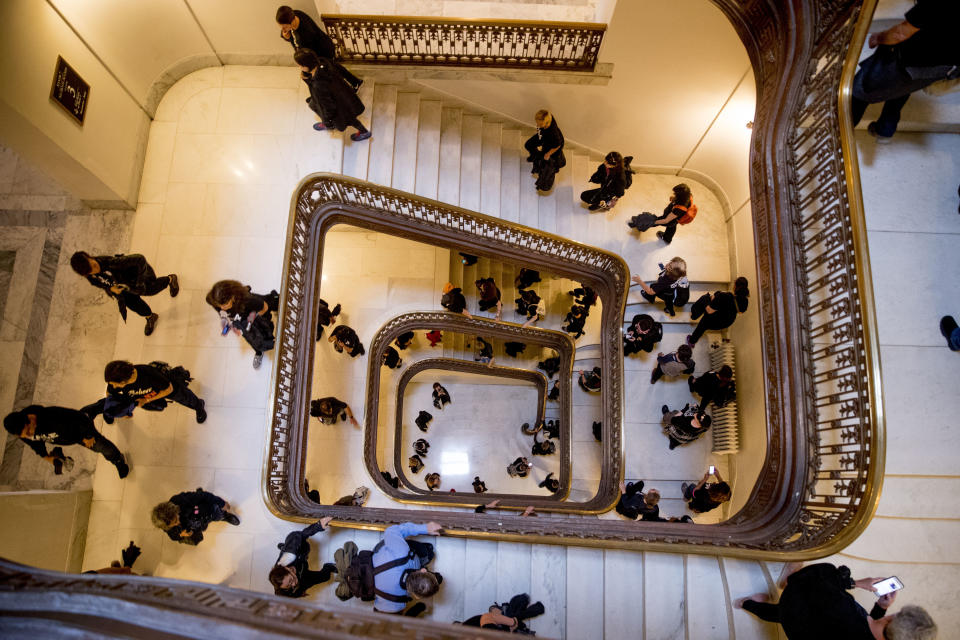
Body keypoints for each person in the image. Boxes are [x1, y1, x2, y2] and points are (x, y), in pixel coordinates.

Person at [735, 562, 937, 640]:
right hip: (804, 629)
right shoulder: (876, 630)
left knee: (820, 573)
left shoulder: (843, 611)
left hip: (797, 612)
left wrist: (855, 583)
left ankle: (760, 595)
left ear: (893, 619)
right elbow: (873, 627)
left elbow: (817, 579)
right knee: (780, 615)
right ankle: (746, 604)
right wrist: (880, 607)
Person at [851, 0, 960, 143]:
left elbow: (899, 34)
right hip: (939, 67)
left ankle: (841, 131)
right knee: (902, 87)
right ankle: (885, 129)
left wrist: (878, 38)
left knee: (860, 92)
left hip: (912, 57)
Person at [70, 251, 178, 336]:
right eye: (91, 271)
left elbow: (140, 259)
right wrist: (111, 289)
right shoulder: (90, 275)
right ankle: (150, 317)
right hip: (124, 289)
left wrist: (139, 284)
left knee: (152, 289)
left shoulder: (113, 262)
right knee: (136, 306)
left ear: (89, 257)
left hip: (137, 277)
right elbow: (100, 284)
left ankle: (170, 279)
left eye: (93, 265)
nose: (96, 270)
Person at [4, 405, 129, 478]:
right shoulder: (24, 432)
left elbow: (78, 418)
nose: (29, 436)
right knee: (88, 411)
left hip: (81, 432)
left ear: (30, 419)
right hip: (72, 436)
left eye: (29, 432)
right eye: (24, 436)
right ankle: (98, 406)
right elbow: (35, 443)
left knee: (102, 447)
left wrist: (89, 435)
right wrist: (48, 458)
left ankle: (117, 459)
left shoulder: (51, 415)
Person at [275, 5, 361, 89]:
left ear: (292, 22)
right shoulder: (296, 14)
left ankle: (353, 84)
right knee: (334, 67)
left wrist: (304, 72)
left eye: (284, 27)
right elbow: (295, 41)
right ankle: (355, 82)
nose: (283, 30)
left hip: (322, 52)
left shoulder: (305, 35)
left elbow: (303, 52)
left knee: (332, 69)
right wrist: (287, 36)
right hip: (321, 47)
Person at [295, 48, 371, 141]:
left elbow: (328, 106)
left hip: (338, 105)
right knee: (312, 105)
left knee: (350, 119)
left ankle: (363, 132)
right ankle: (363, 131)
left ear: (306, 66)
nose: (300, 68)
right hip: (344, 97)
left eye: (300, 65)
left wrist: (327, 121)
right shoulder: (325, 63)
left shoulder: (318, 84)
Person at [371, 521, 443, 615]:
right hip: (376, 574)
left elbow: (391, 531)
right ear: (416, 596)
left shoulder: (402, 552)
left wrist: (425, 528)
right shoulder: (395, 602)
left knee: (428, 552)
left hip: (385, 556)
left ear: (423, 570)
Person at [104, 360, 206, 423]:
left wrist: (146, 400)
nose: (113, 385)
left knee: (186, 398)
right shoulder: (117, 382)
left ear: (124, 380)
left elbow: (168, 389)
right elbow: (109, 394)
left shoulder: (148, 374)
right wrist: (122, 412)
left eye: (115, 383)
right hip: (149, 396)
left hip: (166, 388)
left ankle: (199, 406)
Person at [206, 280, 278, 369]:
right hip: (240, 321)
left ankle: (272, 344)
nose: (222, 308)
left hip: (251, 317)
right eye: (219, 305)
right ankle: (259, 350)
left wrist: (253, 319)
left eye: (225, 304)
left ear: (232, 297)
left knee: (262, 334)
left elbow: (264, 307)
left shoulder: (247, 300)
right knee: (251, 338)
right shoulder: (213, 300)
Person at [269, 516, 337, 598]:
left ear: (287, 569)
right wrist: (299, 593)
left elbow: (298, 535)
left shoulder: (290, 555)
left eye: (291, 580)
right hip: (303, 575)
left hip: (298, 556)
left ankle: (285, 547)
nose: (294, 584)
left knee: (302, 545)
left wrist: (318, 525)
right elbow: (287, 595)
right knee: (325, 577)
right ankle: (328, 567)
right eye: (288, 586)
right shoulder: (282, 590)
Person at [151, 488, 240, 546]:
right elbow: (173, 536)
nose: (178, 523)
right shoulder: (166, 525)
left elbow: (206, 496)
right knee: (196, 539)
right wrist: (180, 535)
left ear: (175, 510)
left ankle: (224, 516)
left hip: (202, 511)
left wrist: (222, 503)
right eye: (174, 524)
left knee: (216, 513)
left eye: (176, 519)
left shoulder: (179, 500)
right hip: (195, 524)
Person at [686, 277, 750, 346]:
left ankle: (694, 316)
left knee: (704, 299)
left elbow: (709, 310)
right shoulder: (745, 301)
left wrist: (710, 298)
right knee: (704, 325)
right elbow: (740, 311)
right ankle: (692, 341)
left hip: (715, 320)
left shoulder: (725, 296)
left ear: (736, 286)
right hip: (727, 322)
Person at [524, 110, 565, 191]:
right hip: (543, 137)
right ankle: (535, 156)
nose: (537, 124)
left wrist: (548, 154)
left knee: (547, 167)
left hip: (551, 147)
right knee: (528, 144)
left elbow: (558, 145)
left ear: (546, 123)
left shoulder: (552, 132)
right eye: (537, 122)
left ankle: (546, 184)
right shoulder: (548, 117)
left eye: (540, 124)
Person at [462, 593, 546, 632]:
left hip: (497, 624)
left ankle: (521, 603)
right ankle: (520, 602)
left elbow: (486, 618)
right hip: (501, 626)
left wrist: (512, 622)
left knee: (511, 615)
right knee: (512, 614)